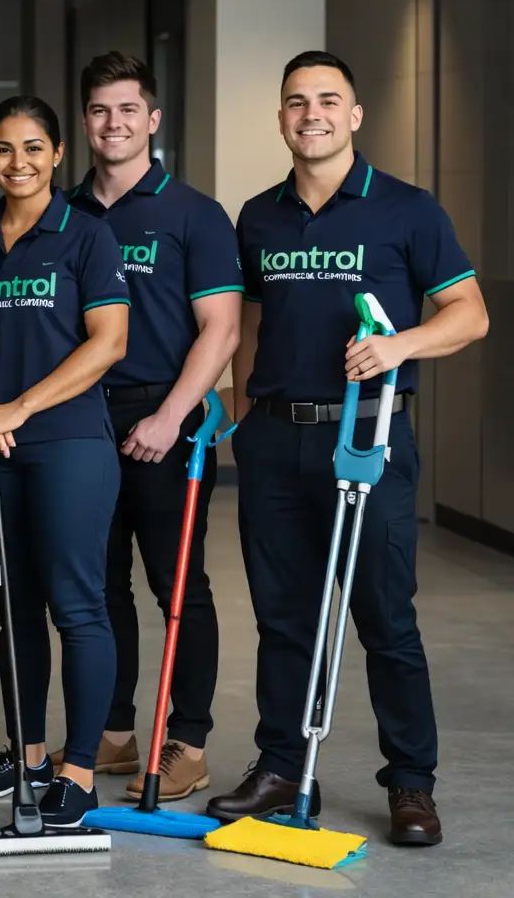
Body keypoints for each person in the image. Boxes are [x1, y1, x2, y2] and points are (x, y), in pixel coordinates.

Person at [206, 51, 487, 847]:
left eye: (329, 100)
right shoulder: (258, 216)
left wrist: (401, 348)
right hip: (273, 441)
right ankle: (283, 766)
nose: (312, 114)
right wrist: (235, 406)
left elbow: (470, 314)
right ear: (283, 117)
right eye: (297, 102)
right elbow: (252, 323)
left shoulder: (406, 209)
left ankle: (411, 784)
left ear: (356, 115)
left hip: (370, 440)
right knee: (284, 618)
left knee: (385, 620)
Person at [53, 52, 241, 801]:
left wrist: (170, 416)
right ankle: (117, 733)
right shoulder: (66, 212)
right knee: (98, 586)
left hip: (164, 416)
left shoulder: (192, 213)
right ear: (84, 121)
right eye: (99, 110)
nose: (113, 123)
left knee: (178, 586)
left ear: (153, 120)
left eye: (128, 109)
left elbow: (220, 330)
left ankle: (187, 740)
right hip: (81, 420)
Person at [0, 95, 129, 827]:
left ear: (59, 154)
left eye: (33, 148)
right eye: (3, 149)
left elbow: (108, 342)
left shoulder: (87, 238)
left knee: (78, 605)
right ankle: (26, 757)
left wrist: (18, 409)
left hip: (68, 447)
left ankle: (78, 770)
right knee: (12, 609)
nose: (18, 163)